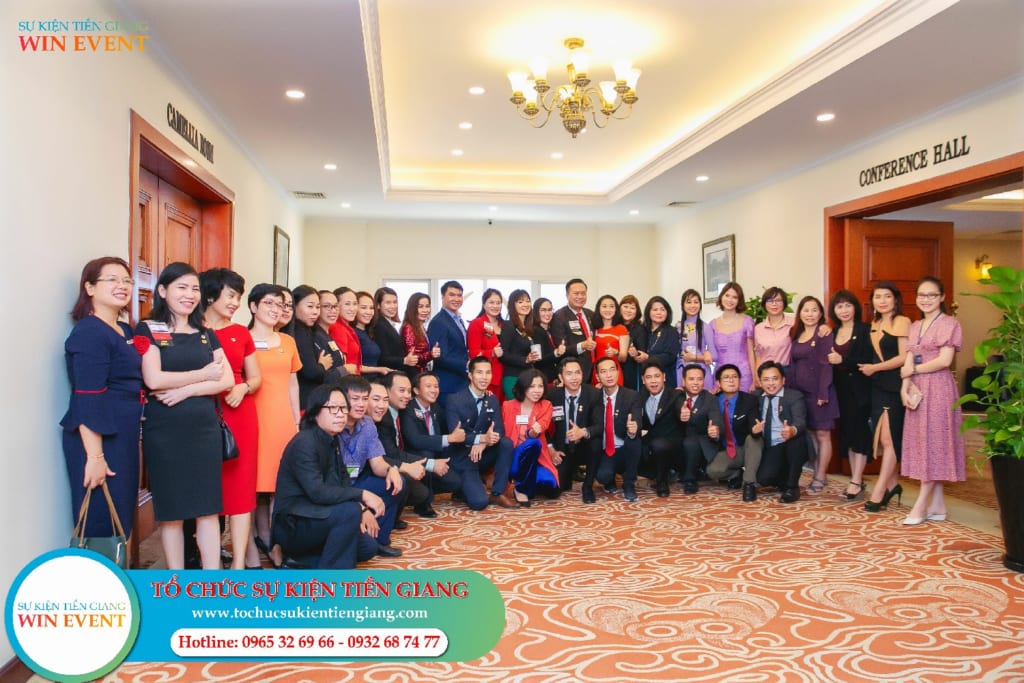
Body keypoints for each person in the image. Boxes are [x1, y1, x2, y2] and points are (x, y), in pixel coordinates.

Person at [137, 262, 234, 570]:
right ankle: (176, 580)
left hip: (203, 428)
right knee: (172, 512)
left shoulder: (206, 334)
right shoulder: (149, 329)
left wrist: (184, 391)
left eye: (194, 289)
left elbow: (226, 380)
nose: (189, 295)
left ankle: (212, 579)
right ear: (162, 290)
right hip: (165, 430)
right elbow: (154, 379)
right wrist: (202, 375)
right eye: (181, 287)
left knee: (207, 508)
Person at [61, 257, 143, 543]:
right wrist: (95, 457)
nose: (122, 286)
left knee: (120, 516)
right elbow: (86, 399)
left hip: (122, 434)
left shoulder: (124, 329)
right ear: (90, 288)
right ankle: (97, 573)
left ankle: (117, 571)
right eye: (113, 280)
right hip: (99, 439)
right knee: (101, 520)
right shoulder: (89, 332)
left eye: (127, 281)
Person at [270, 385, 383, 569]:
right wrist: (362, 496)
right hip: (295, 524)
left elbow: (343, 480)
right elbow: (317, 492)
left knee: (367, 547)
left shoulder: (331, 438)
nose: (340, 415)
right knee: (349, 512)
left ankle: (298, 562)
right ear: (315, 412)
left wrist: (361, 508)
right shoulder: (304, 442)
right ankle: (332, 575)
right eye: (333, 408)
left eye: (343, 408)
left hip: (319, 516)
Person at [200, 268, 262, 570]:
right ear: (211, 295)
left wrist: (243, 387)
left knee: (240, 491)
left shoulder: (241, 333)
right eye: (231, 296)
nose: (236, 303)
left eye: (238, 297)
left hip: (240, 413)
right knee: (206, 491)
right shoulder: (192, 331)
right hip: (202, 414)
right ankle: (210, 565)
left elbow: (256, 377)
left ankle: (238, 564)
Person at [899, 277, 966, 525]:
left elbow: (944, 360)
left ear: (942, 297)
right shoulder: (915, 325)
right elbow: (910, 358)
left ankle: (921, 504)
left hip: (938, 388)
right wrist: (904, 387)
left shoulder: (950, 323)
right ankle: (938, 505)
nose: (925, 300)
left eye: (931, 295)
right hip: (917, 389)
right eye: (921, 295)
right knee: (922, 442)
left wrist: (914, 371)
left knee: (934, 443)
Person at [246, 283, 301, 568]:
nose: (275, 309)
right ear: (253, 306)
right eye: (269, 303)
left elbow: (292, 383)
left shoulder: (287, 341)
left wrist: (296, 420)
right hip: (252, 418)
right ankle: (257, 539)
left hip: (283, 420)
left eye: (280, 304)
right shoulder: (242, 339)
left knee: (280, 484)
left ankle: (278, 542)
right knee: (254, 485)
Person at [336, 375, 404, 557]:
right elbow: (329, 483)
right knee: (363, 550)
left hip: (356, 481)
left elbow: (377, 463)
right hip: (336, 489)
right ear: (342, 399)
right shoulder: (333, 425)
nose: (361, 404)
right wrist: (361, 506)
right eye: (355, 399)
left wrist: (391, 470)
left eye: (364, 399)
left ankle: (380, 539)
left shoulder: (367, 425)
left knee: (396, 483)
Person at [860, 281, 910, 512]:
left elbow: (903, 357)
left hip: (894, 385)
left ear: (895, 299)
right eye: (877, 296)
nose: (882, 301)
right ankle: (893, 486)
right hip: (877, 386)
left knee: (890, 439)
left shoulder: (902, 322)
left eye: (887, 296)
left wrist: (875, 368)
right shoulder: (874, 323)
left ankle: (879, 491)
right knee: (880, 439)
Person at [444, 356, 517, 510]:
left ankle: (497, 493)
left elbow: (499, 430)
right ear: (470, 375)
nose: (484, 377)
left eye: (488, 372)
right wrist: (481, 438)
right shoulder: (454, 400)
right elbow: (456, 435)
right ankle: (463, 488)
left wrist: (483, 443)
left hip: (482, 454)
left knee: (506, 443)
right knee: (479, 503)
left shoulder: (492, 399)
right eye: (479, 372)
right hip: (463, 457)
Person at [787, 296, 839, 495]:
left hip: (820, 392)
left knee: (823, 434)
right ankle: (819, 473)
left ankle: (819, 476)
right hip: (800, 394)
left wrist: (823, 391)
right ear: (800, 313)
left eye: (814, 310)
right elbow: (792, 364)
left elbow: (826, 365)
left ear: (820, 313)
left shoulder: (824, 334)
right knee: (810, 434)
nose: (810, 314)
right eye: (806, 310)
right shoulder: (796, 333)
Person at [826, 290, 874, 501]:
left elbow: (868, 360)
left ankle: (855, 481)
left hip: (860, 389)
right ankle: (857, 479)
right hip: (840, 390)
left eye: (848, 305)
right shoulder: (833, 332)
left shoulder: (865, 330)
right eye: (839, 306)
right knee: (848, 433)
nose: (844, 310)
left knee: (859, 433)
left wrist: (843, 361)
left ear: (855, 307)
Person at [372, 372, 437, 519]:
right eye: (402, 391)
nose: (407, 396)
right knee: (412, 486)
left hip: (395, 459)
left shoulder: (401, 411)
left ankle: (422, 504)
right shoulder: (382, 417)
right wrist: (429, 464)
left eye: (408, 391)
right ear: (387, 391)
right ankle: (392, 517)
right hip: (384, 465)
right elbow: (390, 454)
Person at [749, 361, 808, 503]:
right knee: (764, 479)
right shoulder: (755, 397)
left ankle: (792, 487)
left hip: (788, 442)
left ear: (783, 380)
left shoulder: (794, 396)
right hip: (770, 447)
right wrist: (754, 430)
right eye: (766, 379)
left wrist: (792, 430)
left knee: (797, 441)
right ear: (760, 382)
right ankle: (783, 478)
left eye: (775, 379)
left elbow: (800, 421)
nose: (771, 383)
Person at [400, 371, 464, 499]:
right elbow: (415, 440)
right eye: (428, 386)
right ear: (416, 390)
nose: (434, 390)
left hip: (436, 456)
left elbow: (447, 427)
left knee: (455, 482)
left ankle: (422, 490)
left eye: (436, 386)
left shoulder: (435, 407)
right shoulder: (408, 409)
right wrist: (448, 438)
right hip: (414, 458)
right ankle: (424, 501)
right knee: (426, 452)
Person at [546, 357, 601, 501]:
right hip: (562, 449)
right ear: (561, 377)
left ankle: (587, 486)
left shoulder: (593, 394)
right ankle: (568, 474)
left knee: (595, 442)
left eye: (578, 373)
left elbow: (600, 425)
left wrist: (583, 432)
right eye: (569, 374)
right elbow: (543, 426)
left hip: (584, 446)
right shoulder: (552, 395)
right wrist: (550, 449)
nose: (574, 378)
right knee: (555, 489)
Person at [502, 369, 560, 504]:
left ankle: (525, 483)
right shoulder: (508, 406)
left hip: (536, 459)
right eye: (532, 386)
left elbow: (541, 427)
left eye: (540, 386)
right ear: (523, 387)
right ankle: (520, 489)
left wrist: (533, 432)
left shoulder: (546, 406)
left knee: (552, 488)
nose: (537, 390)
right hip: (513, 456)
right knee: (534, 443)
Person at [704, 364, 761, 501]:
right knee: (712, 471)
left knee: (753, 439)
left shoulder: (749, 400)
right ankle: (737, 474)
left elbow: (754, 424)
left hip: (746, 447)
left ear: (740, 381)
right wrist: (713, 434)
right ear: (718, 383)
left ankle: (749, 483)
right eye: (726, 377)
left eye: (735, 377)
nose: (731, 380)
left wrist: (755, 430)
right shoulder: (712, 400)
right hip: (727, 449)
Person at [591, 356, 643, 502]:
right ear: (597, 377)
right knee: (603, 476)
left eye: (612, 370)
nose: (609, 375)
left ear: (618, 372)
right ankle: (610, 479)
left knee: (634, 440)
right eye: (603, 371)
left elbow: (637, 420)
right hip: (605, 449)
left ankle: (629, 484)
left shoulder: (631, 395)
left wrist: (634, 428)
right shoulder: (594, 397)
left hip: (624, 446)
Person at [291, 285, 345, 407]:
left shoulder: (308, 329)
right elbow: (311, 372)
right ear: (295, 305)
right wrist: (322, 365)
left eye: (317, 307)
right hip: (306, 400)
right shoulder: (300, 331)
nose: (315, 312)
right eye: (310, 306)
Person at [638, 360, 683, 497]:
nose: (653, 381)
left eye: (657, 376)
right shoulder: (640, 396)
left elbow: (680, 409)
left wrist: (684, 414)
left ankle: (662, 482)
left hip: (671, 445)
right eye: (649, 377)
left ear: (664, 377)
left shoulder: (675, 395)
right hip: (650, 443)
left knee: (659, 445)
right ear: (643, 380)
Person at [677, 364, 721, 494]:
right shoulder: (677, 396)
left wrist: (715, 430)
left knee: (690, 442)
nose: (695, 383)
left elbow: (716, 418)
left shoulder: (710, 399)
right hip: (678, 441)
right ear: (683, 381)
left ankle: (690, 479)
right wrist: (680, 414)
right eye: (691, 379)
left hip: (700, 443)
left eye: (699, 379)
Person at [427, 281, 470, 402]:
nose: (456, 299)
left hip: (460, 382)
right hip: (447, 384)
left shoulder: (458, 320)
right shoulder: (439, 322)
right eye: (452, 295)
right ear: (442, 296)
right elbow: (439, 356)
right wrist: (466, 365)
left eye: (459, 295)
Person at [710, 282, 756, 392]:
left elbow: (751, 352)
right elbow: (710, 352)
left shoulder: (747, 321)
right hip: (721, 375)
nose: (730, 300)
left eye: (734, 297)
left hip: (743, 374)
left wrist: (755, 379)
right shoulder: (712, 324)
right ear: (721, 296)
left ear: (739, 300)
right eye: (727, 295)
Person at [551, 278, 597, 381]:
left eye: (583, 293)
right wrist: (582, 345)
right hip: (573, 371)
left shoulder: (590, 314)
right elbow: (562, 348)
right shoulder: (559, 316)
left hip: (593, 368)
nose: (580, 297)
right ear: (567, 295)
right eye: (576, 293)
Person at [631, 296, 681, 391]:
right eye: (655, 310)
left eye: (662, 309)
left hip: (665, 380)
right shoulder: (642, 330)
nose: (659, 312)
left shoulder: (671, 331)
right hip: (644, 381)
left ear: (667, 312)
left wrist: (648, 357)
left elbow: (671, 356)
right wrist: (635, 354)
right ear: (648, 312)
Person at [499, 289, 543, 398]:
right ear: (512, 305)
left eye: (528, 301)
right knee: (517, 408)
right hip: (513, 377)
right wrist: (525, 360)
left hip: (528, 377)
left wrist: (532, 358)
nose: (525, 304)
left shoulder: (528, 328)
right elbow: (503, 354)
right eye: (520, 302)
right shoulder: (509, 326)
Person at [467, 288, 505, 398]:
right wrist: (491, 353)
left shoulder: (505, 325)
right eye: (491, 302)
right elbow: (473, 354)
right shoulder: (477, 323)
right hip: (487, 379)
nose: (495, 306)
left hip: (505, 377)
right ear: (484, 304)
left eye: (498, 303)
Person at [676, 289, 716, 391]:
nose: (692, 305)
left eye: (696, 302)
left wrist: (695, 358)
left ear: (700, 305)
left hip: (701, 372)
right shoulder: (678, 326)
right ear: (682, 305)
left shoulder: (705, 327)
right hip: (682, 371)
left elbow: (714, 356)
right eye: (689, 302)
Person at [754, 286, 795, 374]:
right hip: (766, 373)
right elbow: (758, 356)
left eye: (778, 300)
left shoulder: (794, 324)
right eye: (770, 300)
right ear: (764, 304)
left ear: (784, 303)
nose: (774, 304)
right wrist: (757, 376)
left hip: (787, 372)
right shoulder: (758, 329)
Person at [591, 294, 629, 386]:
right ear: (599, 309)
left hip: (614, 371)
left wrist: (616, 353)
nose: (608, 309)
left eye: (611, 306)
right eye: (604, 306)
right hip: (598, 371)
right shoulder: (594, 329)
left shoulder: (621, 329)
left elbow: (623, 358)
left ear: (616, 309)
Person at [354, 290, 392, 381]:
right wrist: (379, 369)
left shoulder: (369, 332)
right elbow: (353, 365)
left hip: (373, 380)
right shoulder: (353, 333)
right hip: (361, 382)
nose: (369, 312)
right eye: (363, 308)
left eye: (371, 308)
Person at [401, 292, 440, 377]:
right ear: (413, 309)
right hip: (414, 375)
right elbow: (412, 357)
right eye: (420, 307)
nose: (425, 310)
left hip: (423, 373)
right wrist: (431, 354)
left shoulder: (421, 327)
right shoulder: (409, 327)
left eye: (427, 306)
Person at [374, 287, 411, 373]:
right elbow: (382, 358)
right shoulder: (379, 325)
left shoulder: (388, 323)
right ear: (378, 305)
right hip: (390, 374)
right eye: (388, 303)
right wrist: (404, 360)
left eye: (395, 302)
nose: (393, 306)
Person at [327, 288, 360, 375]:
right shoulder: (338, 328)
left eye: (355, 304)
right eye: (347, 304)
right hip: (348, 380)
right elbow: (342, 364)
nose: (352, 309)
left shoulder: (346, 327)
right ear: (336, 306)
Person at [531, 297, 565, 384]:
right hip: (542, 379)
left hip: (554, 379)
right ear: (536, 312)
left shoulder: (551, 330)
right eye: (543, 310)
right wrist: (556, 353)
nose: (547, 313)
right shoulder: (535, 331)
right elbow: (538, 361)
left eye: (550, 310)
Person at [619, 294, 647, 391]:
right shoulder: (614, 325)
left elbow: (642, 352)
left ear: (637, 311)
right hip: (615, 368)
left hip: (631, 371)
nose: (628, 310)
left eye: (632, 308)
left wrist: (636, 354)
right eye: (625, 306)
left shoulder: (640, 329)